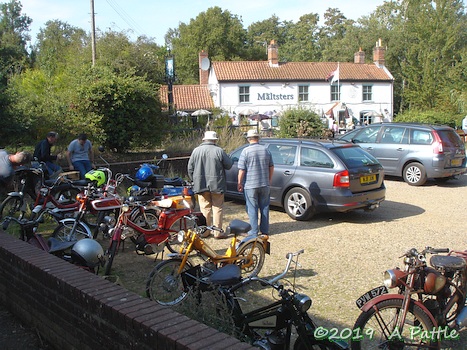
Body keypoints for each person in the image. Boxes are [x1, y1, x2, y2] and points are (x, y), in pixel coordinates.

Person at [187, 130, 233, 238]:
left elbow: (190, 168)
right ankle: (218, 232)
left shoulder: (196, 151)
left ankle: (205, 232)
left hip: (201, 185)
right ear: (214, 140)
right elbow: (229, 165)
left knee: (204, 208)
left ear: (204, 139)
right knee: (217, 208)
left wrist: (194, 180)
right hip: (217, 185)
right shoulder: (219, 151)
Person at [237, 129, 274, 236]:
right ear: (258, 138)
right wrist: (269, 179)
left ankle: (253, 231)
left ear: (248, 139)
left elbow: (242, 169)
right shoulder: (266, 150)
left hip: (250, 185)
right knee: (265, 207)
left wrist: (239, 182)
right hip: (264, 183)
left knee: (252, 208)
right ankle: (265, 230)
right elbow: (271, 166)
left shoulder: (245, 151)